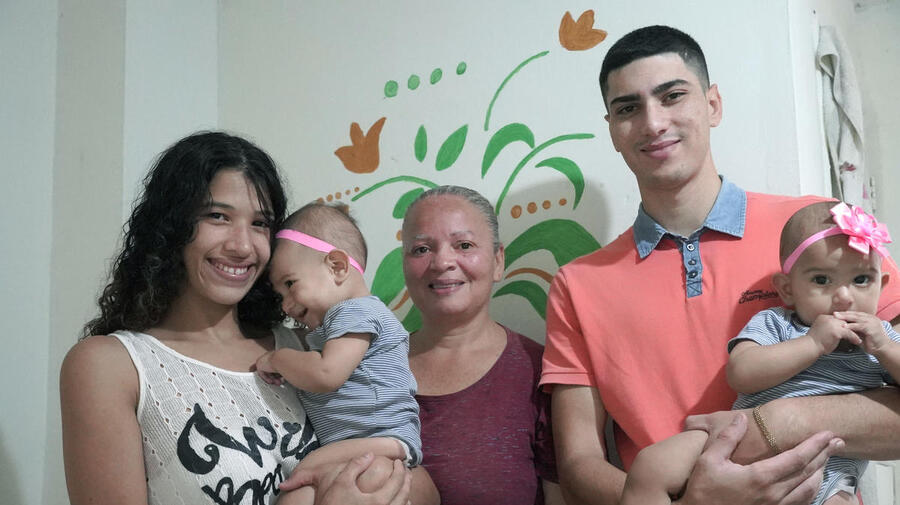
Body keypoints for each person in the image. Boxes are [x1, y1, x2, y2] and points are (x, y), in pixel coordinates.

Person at [540, 25, 900, 505]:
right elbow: (578, 468)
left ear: (713, 104)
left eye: (672, 96)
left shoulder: (824, 235)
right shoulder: (577, 285)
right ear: (612, 130)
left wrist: (779, 422)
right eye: (628, 108)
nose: (653, 123)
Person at [61, 131, 434, 505]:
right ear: (171, 225)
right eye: (218, 216)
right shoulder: (110, 365)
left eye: (260, 223)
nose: (242, 246)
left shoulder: (305, 347)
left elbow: (415, 477)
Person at [621, 201, 900, 505]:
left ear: (882, 284)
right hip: (735, 442)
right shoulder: (777, 323)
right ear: (787, 289)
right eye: (821, 280)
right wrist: (813, 345)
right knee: (650, 465)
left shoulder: (881, 338)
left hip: (828, 470)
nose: (844, 296)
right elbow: (741, 373)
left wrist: (885, 349)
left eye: (861, 280)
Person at [400, 185, 563, 505]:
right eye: (421, 249)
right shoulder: (367, 367)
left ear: (498, 261)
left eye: (464, 245)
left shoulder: (539, 373)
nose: (442, 262)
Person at [254, 202, 422, 504]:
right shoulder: (343, 323)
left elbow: (325, 374)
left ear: (337, 267)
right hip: (368, 443)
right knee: (304, 494)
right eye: (280, 296)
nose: (286, 305)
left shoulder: (354, 312)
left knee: (297, 482)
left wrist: (277, 358)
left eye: (290, 284)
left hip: (378, 441)